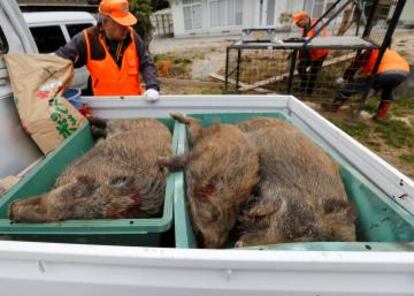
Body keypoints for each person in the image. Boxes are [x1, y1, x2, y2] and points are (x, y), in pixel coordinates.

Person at [55, 0, 160, 102]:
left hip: (133, 105)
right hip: (105, 108)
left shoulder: (132, 36)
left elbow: (146, 63)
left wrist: (152, 86)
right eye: (121, 24)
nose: (126, 28)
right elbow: (58, 61)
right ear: (105, 23)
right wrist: (51, 82)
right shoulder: (87, 39)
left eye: (126, 23)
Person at [324, 48, 409, 121]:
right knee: (387, 91)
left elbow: (354, 66)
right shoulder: (387, 52)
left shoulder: (368, 53)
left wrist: (345, 77)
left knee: (351, 87)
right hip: (403, 73)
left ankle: (333, 107)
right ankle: (380, 116)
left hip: (383, 73)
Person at [292, 11, 330, 95]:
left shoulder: (317, 24)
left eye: (299, 22)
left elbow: (320, 39)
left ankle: (309, 92)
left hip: (320, 51)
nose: (298, 25)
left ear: (305, 18)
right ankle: (303, 85)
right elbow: (305, 38)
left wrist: (307, 40)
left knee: (314, 71)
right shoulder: (306, 26)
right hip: (311, 50)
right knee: (301, 67)